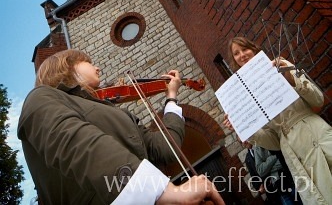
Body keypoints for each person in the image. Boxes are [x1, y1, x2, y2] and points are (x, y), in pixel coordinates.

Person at [18, 49, 224, 205]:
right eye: (88, 62)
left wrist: (171, 98)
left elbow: (164, 148)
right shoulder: (41, 98)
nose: (97, 67)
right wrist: (163, 192)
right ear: (68, 66)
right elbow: (75, 142)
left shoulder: (116, 113)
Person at [223, 37, 332, 205]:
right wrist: (245, 128)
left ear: (254, 49)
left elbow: (318, 100)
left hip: (315, 133)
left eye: (245, 49)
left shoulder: (280, 65)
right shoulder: (244, 95)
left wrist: (290, 78)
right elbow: (274, 142)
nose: (242, 55)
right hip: (292, 152)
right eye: (236, 53)